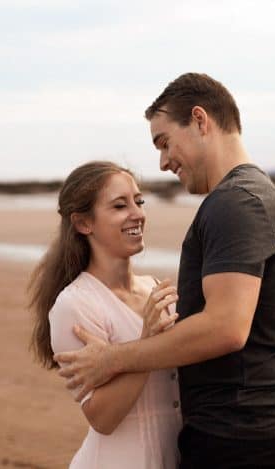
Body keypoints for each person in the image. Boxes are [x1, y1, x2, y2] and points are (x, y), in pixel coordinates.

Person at [54, 73, 275, 468]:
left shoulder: (236, 202)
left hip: (241, 434)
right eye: (119, 205)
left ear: (199, 120)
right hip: (246, 429)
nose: (163, 161)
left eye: (164, 142)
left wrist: (113, 358)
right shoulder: (248, 197)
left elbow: (226, 327)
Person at [29, 161, 183, 468]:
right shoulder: (74, 305)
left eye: (138, 201)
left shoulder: (155, 288)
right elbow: (102, 418)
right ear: (84, 223)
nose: (137, 214)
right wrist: (148, 340)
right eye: (119, 206)